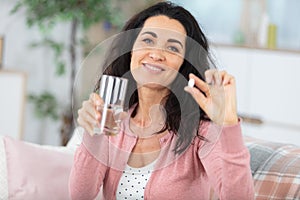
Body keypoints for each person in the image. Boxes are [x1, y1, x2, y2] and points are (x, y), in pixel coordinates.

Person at [69, 1, 254, 200]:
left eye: (173, 48)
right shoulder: (113, 120)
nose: (157, 54)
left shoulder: (201, 131)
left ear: (184, 63)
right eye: (148, 41)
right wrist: (93, 134)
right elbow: (81, 195)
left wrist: (227, 123)